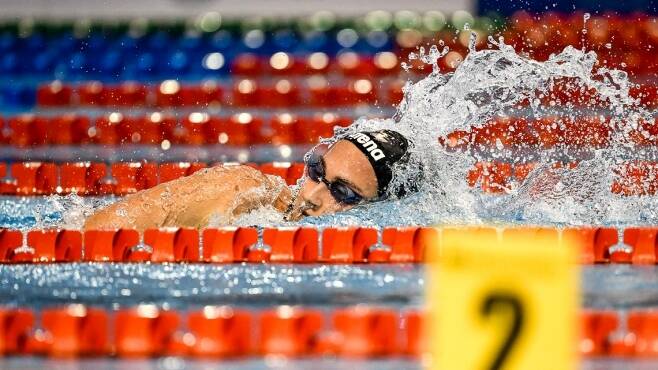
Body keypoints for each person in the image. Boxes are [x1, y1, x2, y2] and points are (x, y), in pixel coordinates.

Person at [83, 129, 420, 231]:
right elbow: (93, 233)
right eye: (317, 171)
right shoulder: (245, 190)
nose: (313, 194)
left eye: (343, 192)